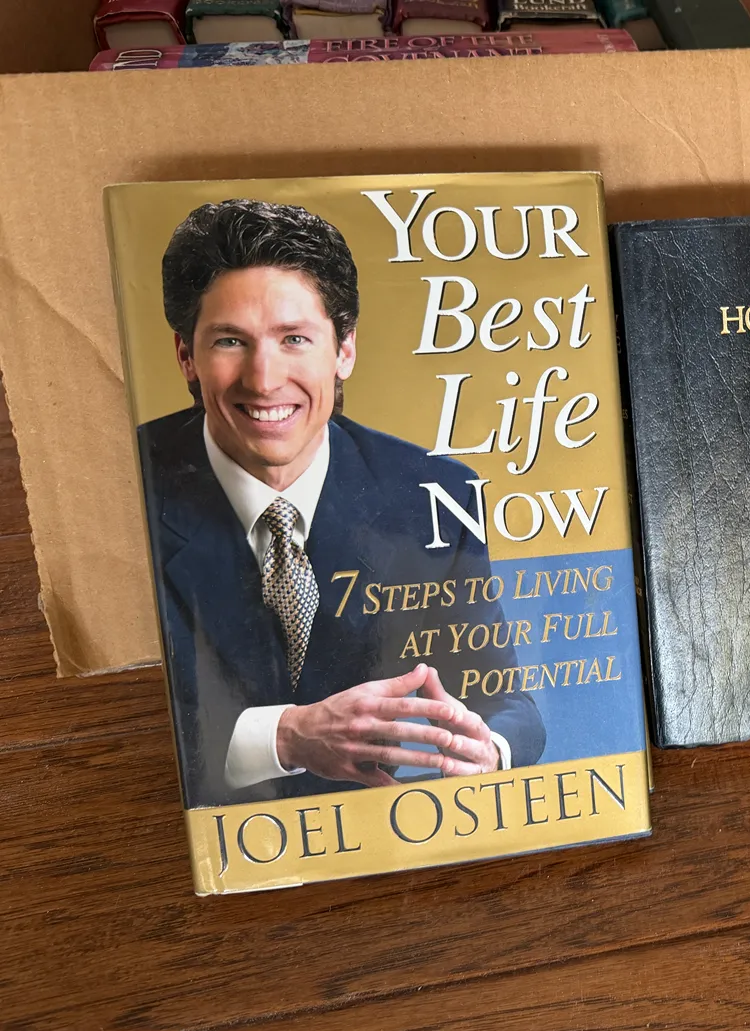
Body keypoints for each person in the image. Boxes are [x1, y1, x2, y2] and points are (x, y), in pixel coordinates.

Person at [137, 198, 544, 808]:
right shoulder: (127, 485)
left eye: (295, 339)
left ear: (344, 349)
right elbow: (131, 727)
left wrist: (488, 749)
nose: (264, 379)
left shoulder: (436, 492)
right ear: (186, 357)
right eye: (230, 341)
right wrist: (286, 737)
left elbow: (507, 704)